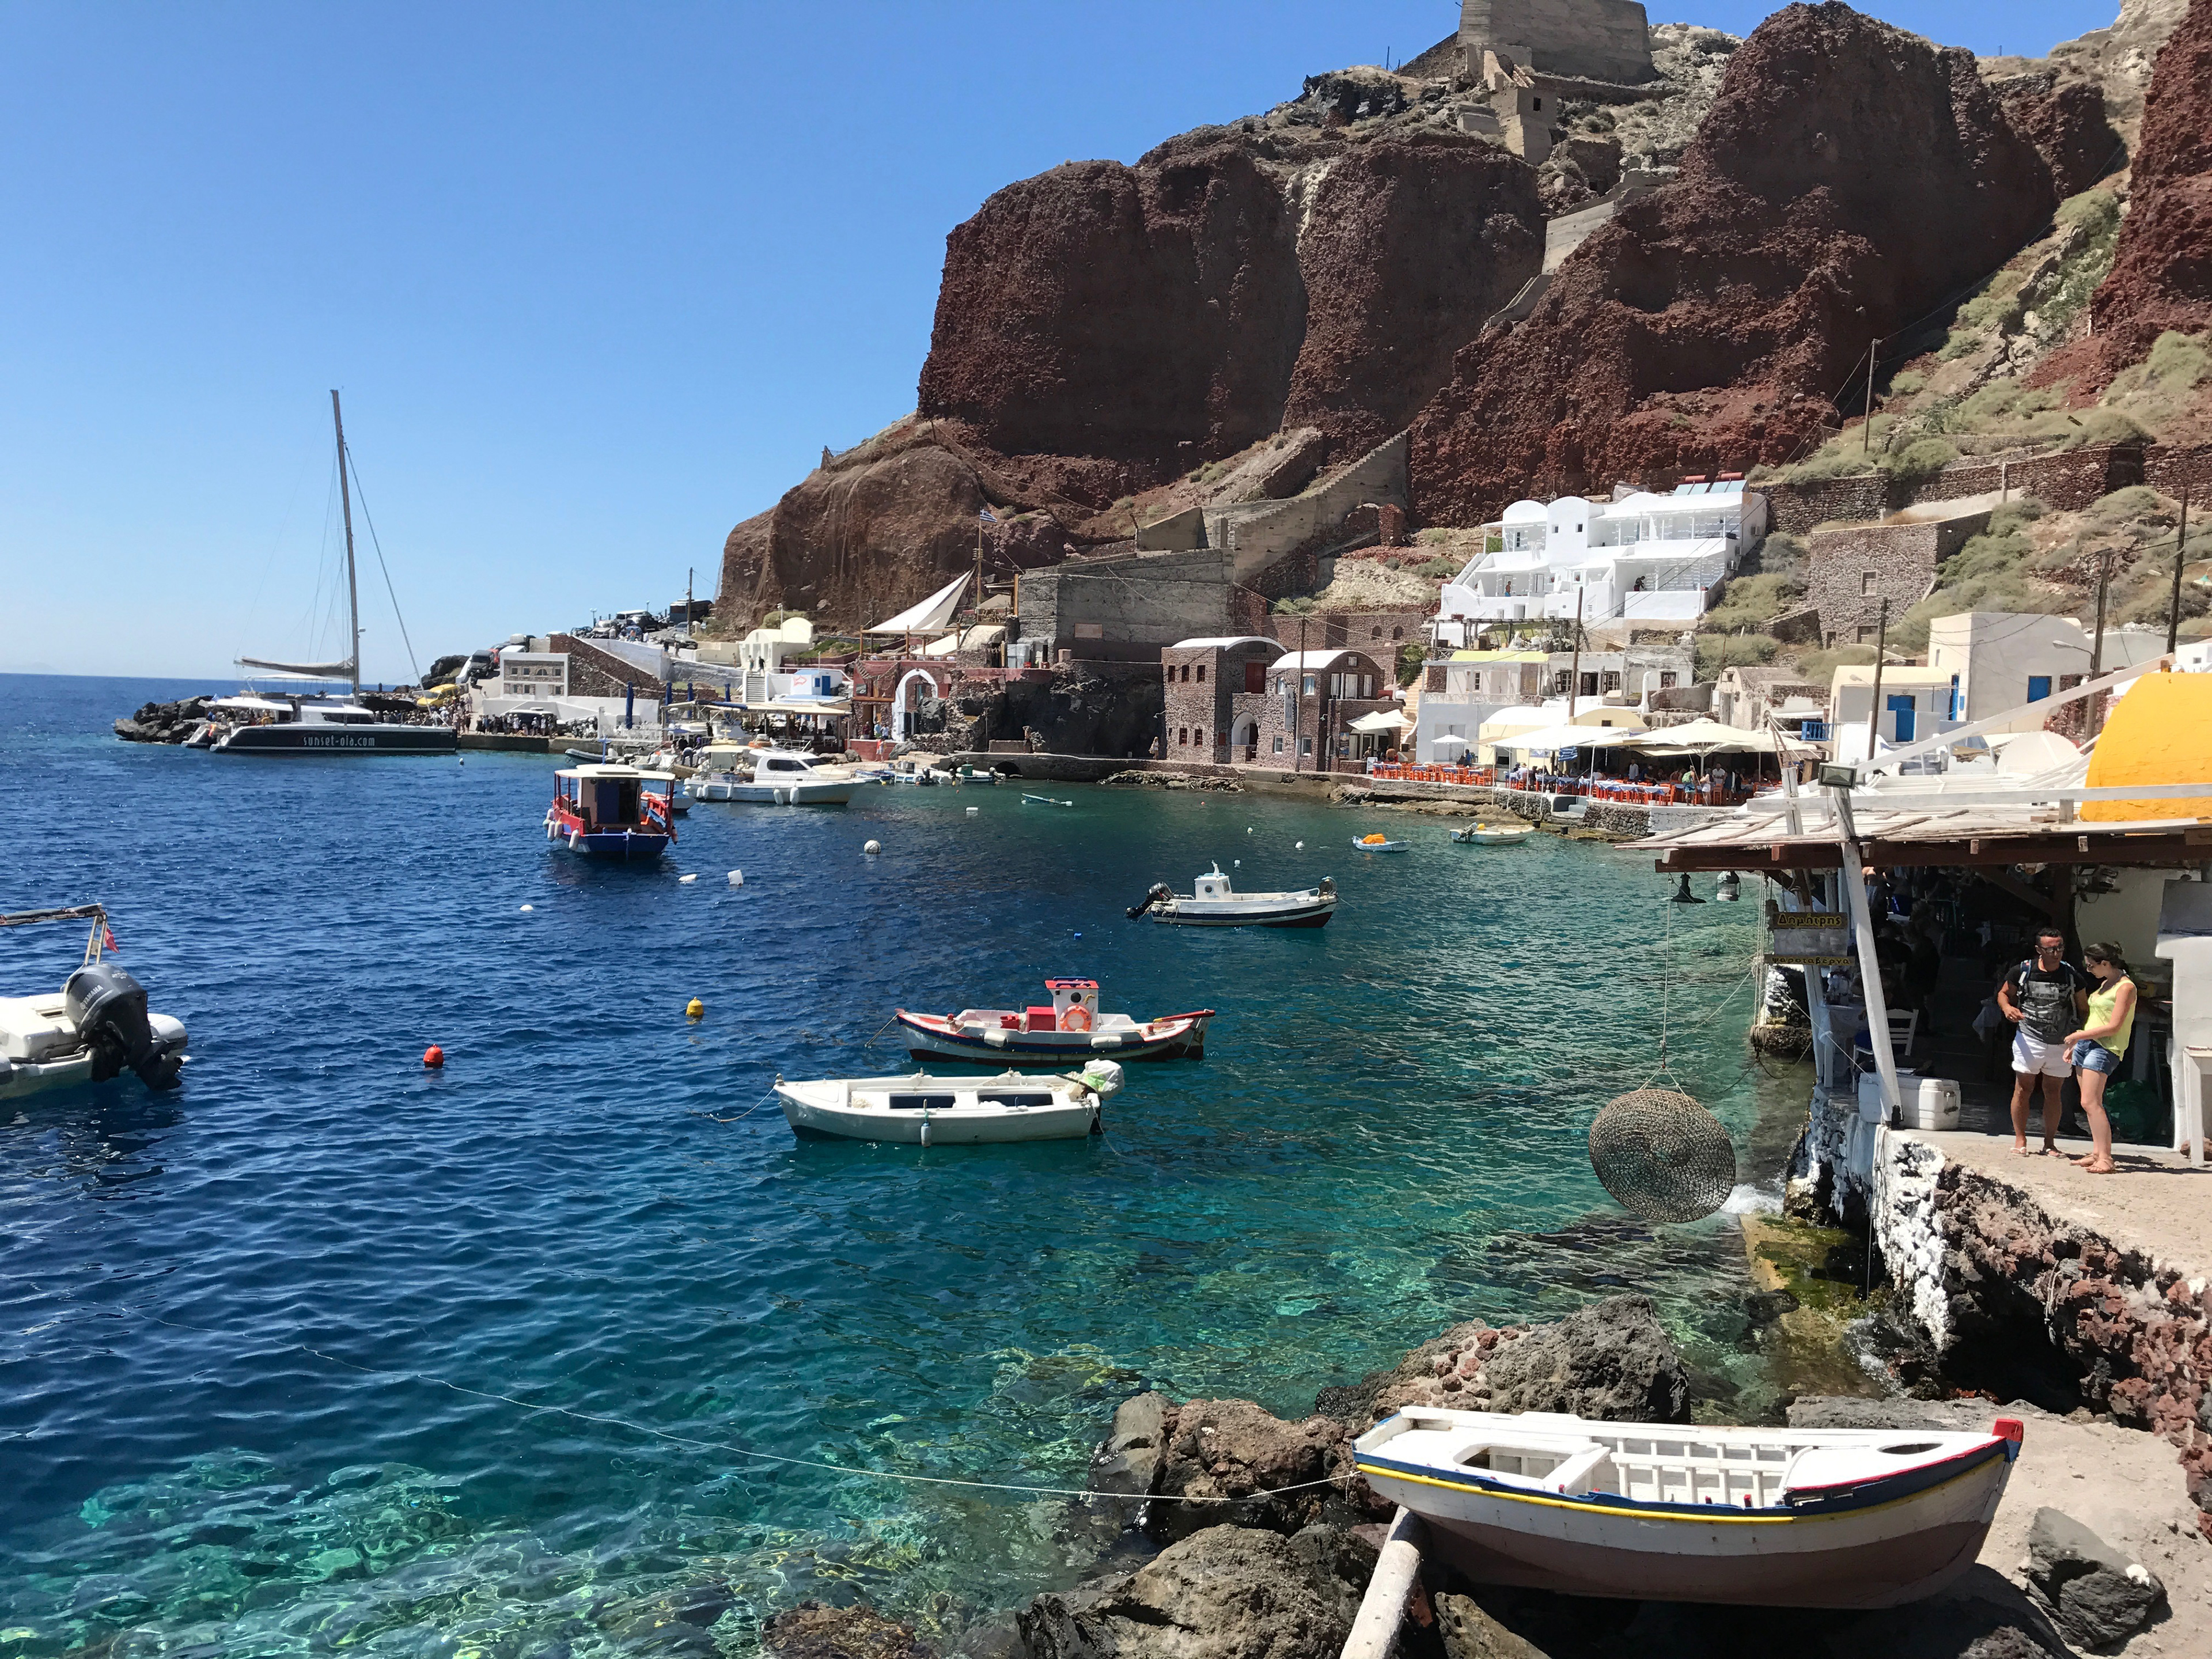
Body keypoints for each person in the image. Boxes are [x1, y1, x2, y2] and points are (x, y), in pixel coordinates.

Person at [1998, 927, 2090, 1157]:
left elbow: (2084, 1008)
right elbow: (2003, 993)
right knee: (2023, 1088)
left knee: (2053, 1091)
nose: (2056, 953)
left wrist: (2079, 1035)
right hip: (2029, 1037)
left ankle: (2050, 1143)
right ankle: (2020, 1139)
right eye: (2050, 949)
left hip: (2061, 1040)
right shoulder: (2023, 971)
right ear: (2039, 950)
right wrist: (2008, 1008)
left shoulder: (2071, 975)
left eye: (2060, 948)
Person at [2062, 942, 2137, 1175]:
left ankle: (2105, 1158)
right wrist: (2079, 1042)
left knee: (2091, 1102)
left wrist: (2079, 1036)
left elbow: (2114, 1026)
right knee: (2088, 1102)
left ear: (2105, 963)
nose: (2089, 970)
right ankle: (2097, 1152)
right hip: (2087, 1043)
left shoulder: (2126, 987)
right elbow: (2096, 1018)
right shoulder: (2106, 984)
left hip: (2105, 1047)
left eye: (2091, 966)